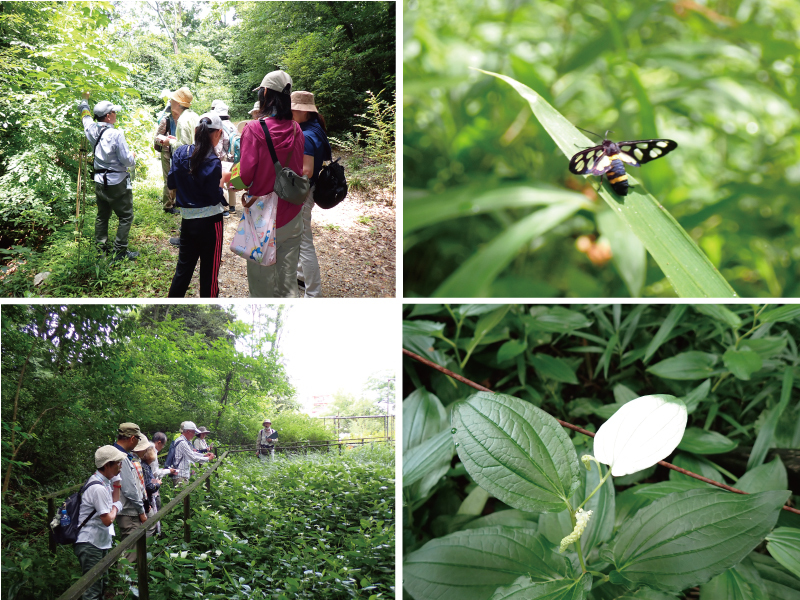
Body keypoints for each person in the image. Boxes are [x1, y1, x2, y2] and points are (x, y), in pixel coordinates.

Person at [239, 70, 306, 297]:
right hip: (292, 215)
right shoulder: (297, 129)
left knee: (262, 285)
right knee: (288, 284)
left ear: (265, 93)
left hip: (262, 217)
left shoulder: (254, 129)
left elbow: (246, 177)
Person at [167, 112, 229, 298]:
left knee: (183, 271)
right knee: (209, 274)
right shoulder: (212, 161)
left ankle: (167, 310)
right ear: (217, 133)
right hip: (211, 224)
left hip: (188, 222)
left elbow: (171, 184)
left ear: (196, 131)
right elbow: (214, 196)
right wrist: (223, 180)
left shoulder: (180, 153)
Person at [78, 92, 138, 262]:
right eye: (114, 113)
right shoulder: (116, 134)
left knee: (102, 215)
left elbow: (85, 114)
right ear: (109, 116)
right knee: (125, 216)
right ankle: (119, 252)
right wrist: (133, 156)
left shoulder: (90, 129)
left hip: (98, 181)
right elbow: (127, 160)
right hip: (116, 182)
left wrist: (85, 99)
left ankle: (100, 248)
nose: (116, 115)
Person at [291, 91, 332, 298]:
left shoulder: (306, 135)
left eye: (292, 109)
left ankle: (313, 293)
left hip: (304, 192)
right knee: (301, 238)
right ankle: (301, 277)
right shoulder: (316, 128)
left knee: (304, 241)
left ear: (300, 110)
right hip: (313, 188)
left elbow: (306, 171)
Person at [73, 445, 126, 600]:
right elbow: (108, 520)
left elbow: (114, 501)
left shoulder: (103, 482)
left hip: (99, 542)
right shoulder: (98, 488)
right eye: (118, 463)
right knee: (93, 590)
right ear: (107, 465)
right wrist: (116, 508)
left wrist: (117, 483)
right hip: (90, 543)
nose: (120, 466)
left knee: (102, 583)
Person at [162, 87, 200, 247]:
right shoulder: (194, 116)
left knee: (186, 203)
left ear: (177, 103)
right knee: (194, 201)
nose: (170, 103)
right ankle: (191, 235)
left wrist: (168, 141)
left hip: (187, 165)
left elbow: (183, 147)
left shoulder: (183, 120)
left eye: (172, 100)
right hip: (197, 162)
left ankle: (186, 238)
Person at [111, 424, 148, 563]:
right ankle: (124, 583)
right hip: (129, 512)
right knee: (130, 554)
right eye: (138, 439)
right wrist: (141, 511)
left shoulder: (114, 453)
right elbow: (129, 489)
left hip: (124, 510)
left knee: (129, 549)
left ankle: (127, 582)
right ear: (132, 438)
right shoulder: (121, 457)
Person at [213, 101, 240, 217]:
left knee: (221, 181)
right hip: (234, 158)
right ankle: (232, 206)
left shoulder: (219, 127)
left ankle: (223, 208)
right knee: (231, 180)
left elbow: (219, 147)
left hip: (223, 158)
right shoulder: (232, 125)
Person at [171, 421, 215, 487]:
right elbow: (192, 457)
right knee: (182, 496)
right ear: (188, 432)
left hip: (182, 474)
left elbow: (191, 453)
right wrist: (208, 458)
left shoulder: (184, 441)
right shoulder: (182, 443)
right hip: (180, 475)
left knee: (184, 495)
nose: (194, 435)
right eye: (193, 432)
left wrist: (204, 455)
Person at [134, 442, 161, 537]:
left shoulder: (146, 466)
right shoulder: (144, 467)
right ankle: (146, 548)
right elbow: (148, 487)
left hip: (146, 502)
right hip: (146, 502)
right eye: (153, 450)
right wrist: (157, 484)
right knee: (150, 525)